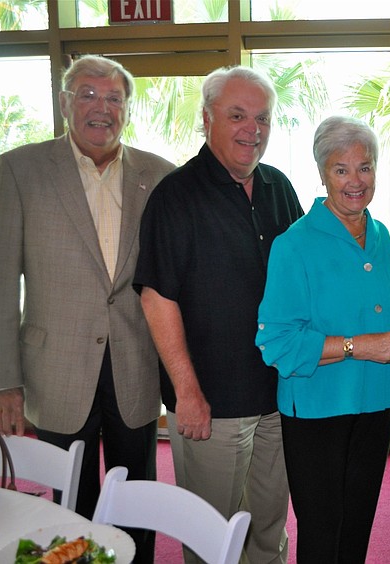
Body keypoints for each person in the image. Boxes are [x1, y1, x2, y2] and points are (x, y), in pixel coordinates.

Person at [0, 54, 175, 562]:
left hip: (135, 369)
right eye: (87, 94)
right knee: (69, 499)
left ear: (127, 109)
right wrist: (4, 381)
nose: (101, 108)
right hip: (54, 371)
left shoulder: (160, 176)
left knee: (137, 498)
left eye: (114, 98)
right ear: (65, 103)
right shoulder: (21, 169)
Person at [134, 65, 303, 564]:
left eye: (262, 118)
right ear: (206, 119)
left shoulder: (280, 188)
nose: (252, 129)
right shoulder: (175, 196)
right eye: (237, 115)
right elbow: (157, 297)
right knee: (212, 535)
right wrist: (187, 392)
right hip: (211, 404)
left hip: (279, 394)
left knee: (270, 525)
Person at [256, 115, 390, 564]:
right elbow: (277, 342)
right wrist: (358, 346)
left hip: (375, 405)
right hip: (318, 407)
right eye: (341, 169)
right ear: (322, 174)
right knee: (323, 534)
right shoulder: (294, 244)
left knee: (358, 526)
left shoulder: (380, 234)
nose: (355, 181)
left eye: (365, 167)